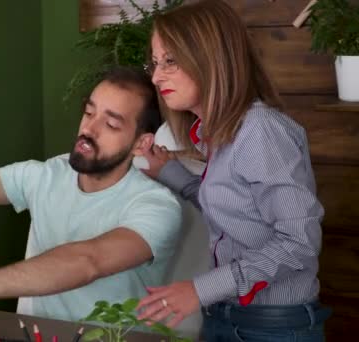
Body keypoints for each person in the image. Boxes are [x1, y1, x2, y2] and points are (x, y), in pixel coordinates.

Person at [0, 67, 182, 323]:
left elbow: (87, 261)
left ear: (141, 143)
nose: (89, 129)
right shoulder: (48, 175)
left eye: (111, 124)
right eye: (89, 112)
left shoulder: (156, 206)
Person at [135, 1, 331, 341]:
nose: (155, 76)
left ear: (210, 57)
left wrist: (199, 289)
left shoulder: (260, 131)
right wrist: (167, 170)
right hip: (226, 318)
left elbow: (299, 242)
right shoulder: (220, 133)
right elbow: (237, 211)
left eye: (170, 61)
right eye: (154, 63)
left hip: (274, 328)